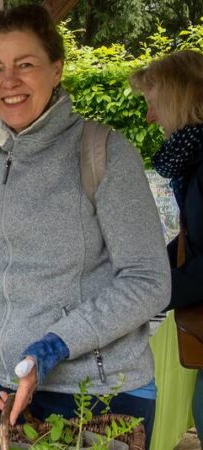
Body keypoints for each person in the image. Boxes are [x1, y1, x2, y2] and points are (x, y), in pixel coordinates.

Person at [0, 5, 170, 446]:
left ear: (56, 69)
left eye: (26, 65)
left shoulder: (104, 153)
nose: (9, 82)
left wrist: (56, 344)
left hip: (93, 396)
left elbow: (148, 280)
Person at [130, 49, 203, 448]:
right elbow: (194, 237)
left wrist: (150, 291)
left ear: (179, 98)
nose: (150, 117)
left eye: (153, 104)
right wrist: (147, 267)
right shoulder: (196, 157)